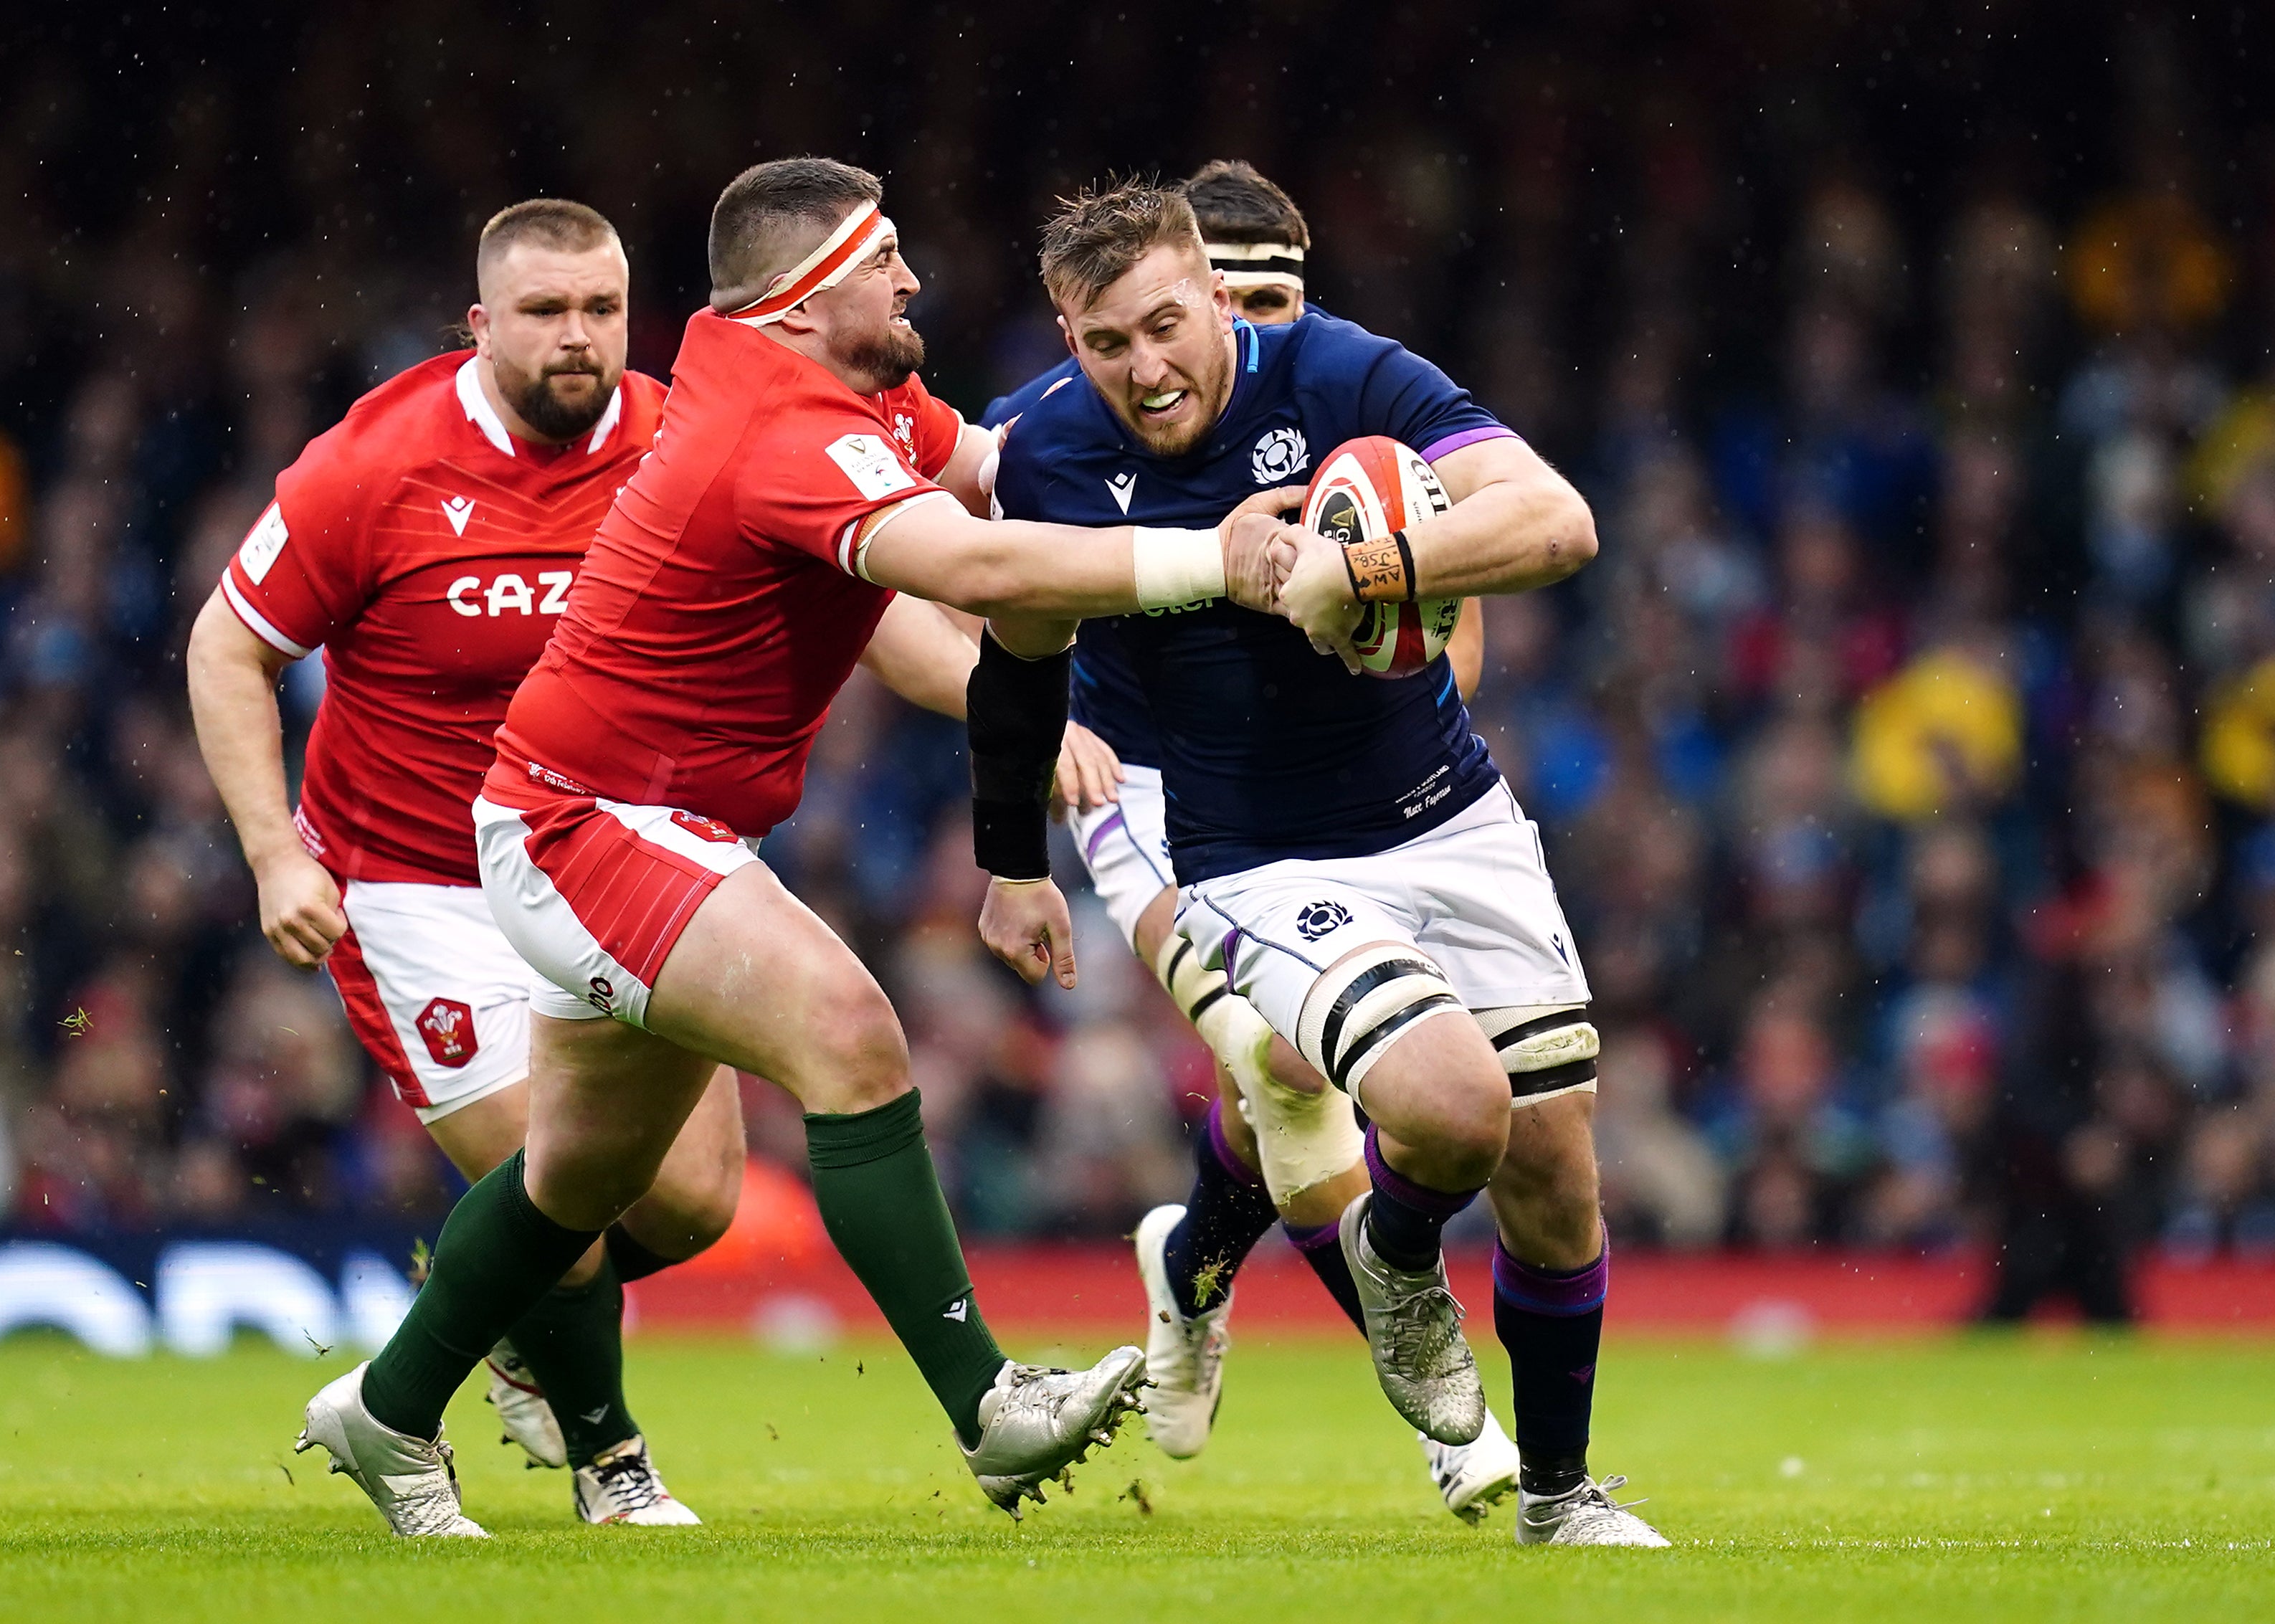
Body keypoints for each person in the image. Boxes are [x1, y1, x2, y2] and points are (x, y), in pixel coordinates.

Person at [290, 157, 1298, 1538]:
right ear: (806, 295)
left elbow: (1009, 471)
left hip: (623, 814)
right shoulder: (779, 423)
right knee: (852, 1031)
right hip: (588, 820)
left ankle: (387, 1409)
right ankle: (986, 1402)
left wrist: (1225, 414)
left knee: (574, 1186)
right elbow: (979, 569)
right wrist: (1212, 562)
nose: (913, 278)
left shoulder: (847, 392)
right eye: (884, 257)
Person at [188, 198, 980, 1526]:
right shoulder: (374, 464)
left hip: (616, 858)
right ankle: (613, 1465)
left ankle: (462, 1332)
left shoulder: (692, 434)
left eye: (602, 311)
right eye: (546, 313)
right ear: (478, 321)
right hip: (418, 884)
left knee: (684, 1206)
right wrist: (275, 852)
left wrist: (1013, 712)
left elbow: (876, 596)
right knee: (565, 1175)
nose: (579, 339)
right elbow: (230, 643)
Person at [995, 179, 1668, 1547]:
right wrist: (1025, 755)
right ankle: (1394, 1274)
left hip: (1448, 811)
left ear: (1225, 297)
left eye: (1172, 326)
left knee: (1551, 1163)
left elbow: (1558, 524)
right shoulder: (1038, 444)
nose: (1146, 367)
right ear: (1069, 335)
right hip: (1236, 839)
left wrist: (1370, 572)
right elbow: (936, 569)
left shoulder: (1352, 379)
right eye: (1107, 343)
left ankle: (1555, 1490)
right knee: (1422, 1098)